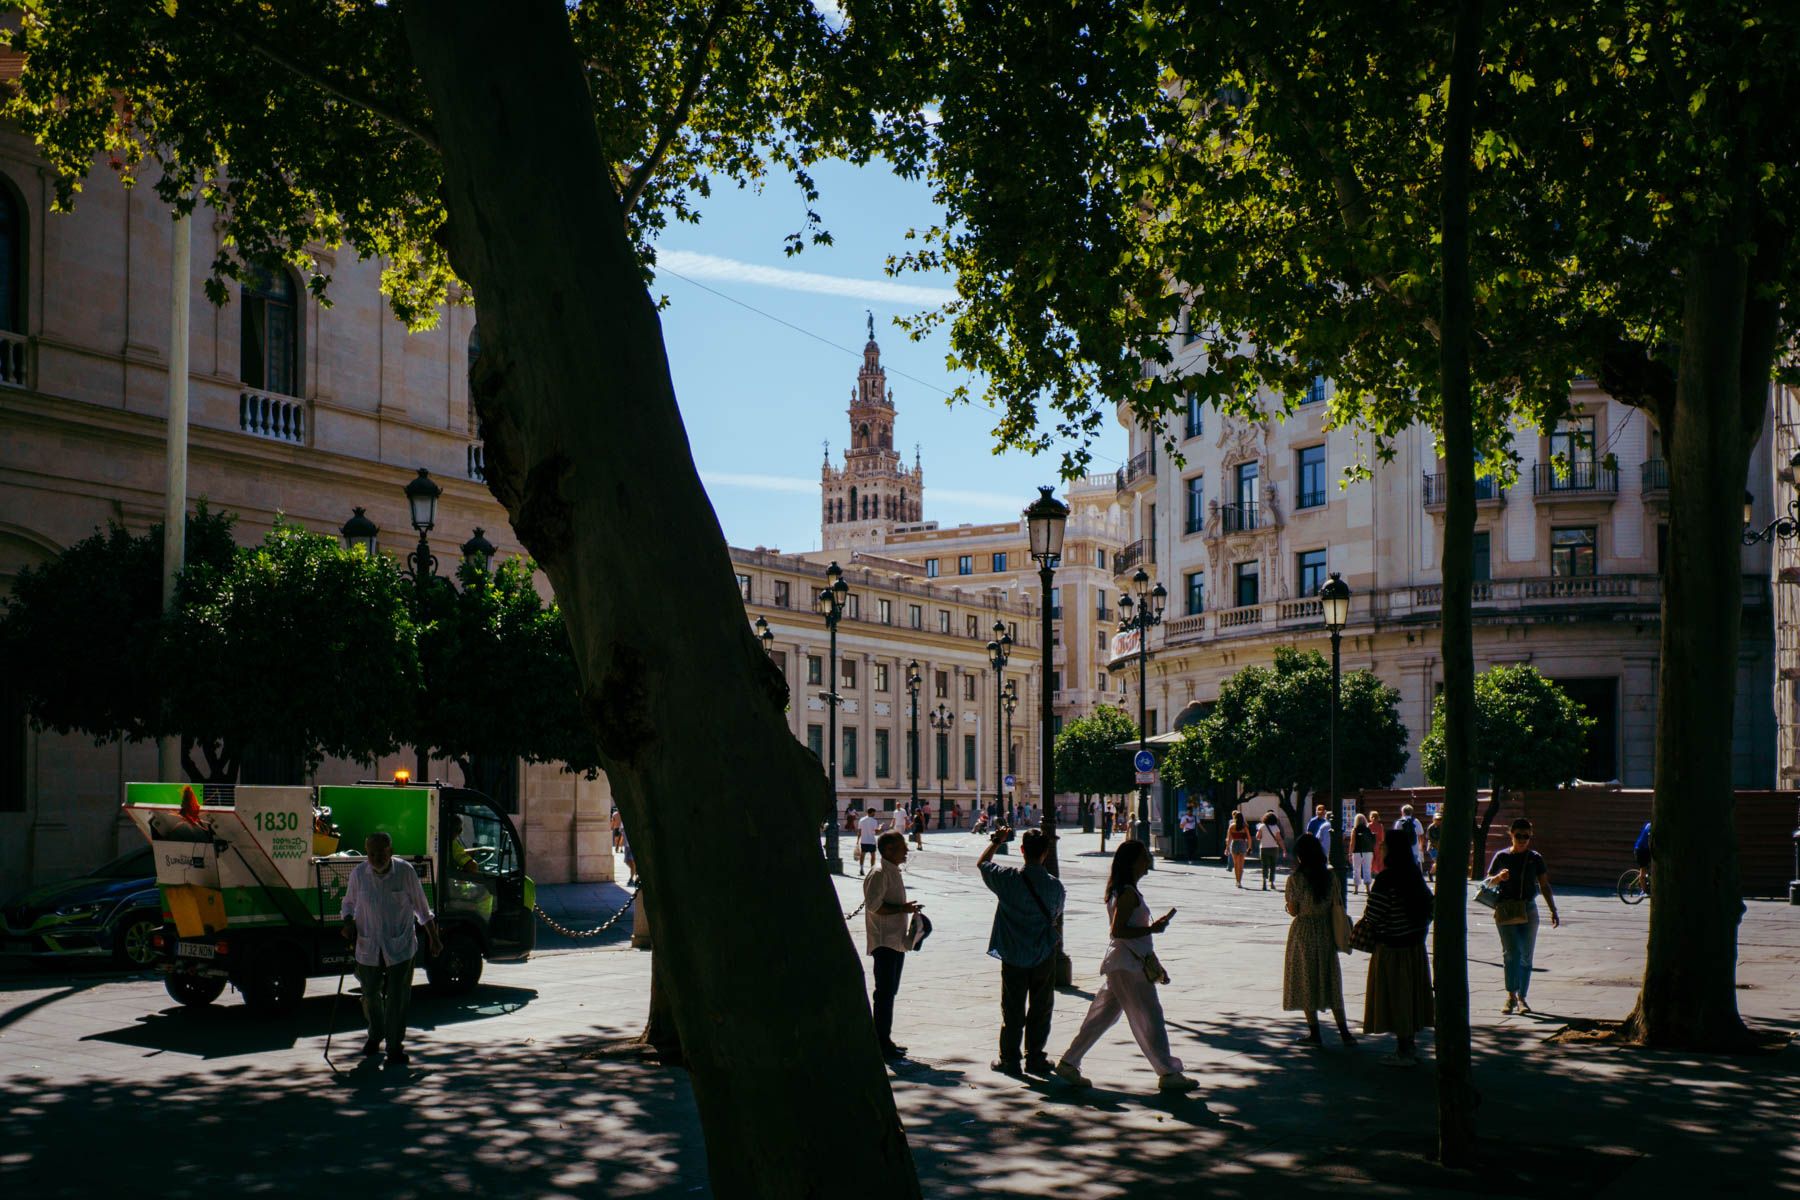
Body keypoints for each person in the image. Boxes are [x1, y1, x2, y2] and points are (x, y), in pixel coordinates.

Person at [1054, 840, 1198, 1093]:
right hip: (1127, 965)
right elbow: (1118, 930)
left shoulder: (1121, 890)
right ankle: (1168, 1072)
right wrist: (1152, 928)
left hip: (1123, 962)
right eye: (1144, 858)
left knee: (1101, 1017)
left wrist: (1155, 961)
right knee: (1150, 1018)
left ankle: (1069, 1061)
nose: (1148, 863)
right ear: (1132, 862)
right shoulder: (1128, 893)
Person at [340, 831, 442, 1066]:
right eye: (372, 853)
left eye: (381, 853)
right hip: (368, 947)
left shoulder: (405, 872)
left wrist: (434, 939)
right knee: (370, 995)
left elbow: (423, 910)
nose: (377, 858)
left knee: (397, 999)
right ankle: (375, 1035)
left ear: (391, 852)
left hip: (400, 946)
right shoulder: (359, 874)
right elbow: (348, 904)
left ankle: (394, 1047)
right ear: (367, 852)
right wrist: (348, 922)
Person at [978, 825, 1067, 1076]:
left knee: (1012, 1007)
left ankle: (1010, 1059)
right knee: (1041, 1006)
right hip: (1043, 954)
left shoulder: (1007, 879)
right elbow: (1056, 914)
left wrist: (996, 841)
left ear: (1022, 850)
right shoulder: (1055, 887)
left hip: (1013, 953)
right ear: (1046, 853)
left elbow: (982, 864)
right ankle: (1035, 1057)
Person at [1361, 822, 1434, 1067]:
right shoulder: (1414, 876)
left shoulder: (1386, 879)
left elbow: (1373, 915)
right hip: (1414, 947)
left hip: (1391, 948)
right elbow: (1429, 909)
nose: (1379, 848)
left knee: (1397, 998)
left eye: (1383, 845)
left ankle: (1403, 1052)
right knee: (1410, 998)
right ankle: (1408, 1045)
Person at [1482, 817, 1561, 1014]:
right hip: (1507, 909)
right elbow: (1487, 883)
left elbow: (1544, 885)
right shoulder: (1501, 857)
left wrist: (1553, 909)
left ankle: (1522, 998)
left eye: (1527, 836)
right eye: (1519, 836)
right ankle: (1510, 996)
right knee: (1511, 954)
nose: (1523, 840)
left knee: (1526, 955)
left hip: (1528, 909)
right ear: (1511, 834)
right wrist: (1498, 878)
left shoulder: (1535, 858)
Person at [1284, 834, 1355, 1048]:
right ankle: (1345, 1033)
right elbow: (1336, 901)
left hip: (1304, 931)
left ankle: (1314, 1032)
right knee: (1330, 979)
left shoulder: (1295, 879)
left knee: (1306, 979)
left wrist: (1289, 906)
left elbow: (1294, 909)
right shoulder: (1330, 877)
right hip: (1325, 931)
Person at [863, 831, 921, 1060]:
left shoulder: (892, 871)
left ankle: (885, 1038)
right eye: (902, 847)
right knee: (885, 993)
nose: (906, 850)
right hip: (884, 941)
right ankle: (881, 1040)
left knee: (890, 992)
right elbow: (874, 906)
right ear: (888, 850)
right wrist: (902, 909)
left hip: (897, 940)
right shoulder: (879, 873)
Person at [1256, 811, 1286, 890]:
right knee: (1273, 866)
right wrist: (1284, 849)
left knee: (1264, 866)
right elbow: (1279, 839)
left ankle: (1264, 882)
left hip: (1264, 848)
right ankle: (1272, 883)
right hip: (1274, 848)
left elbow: (1258, 837)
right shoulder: (1276, 827)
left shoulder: (1261, 826)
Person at [1350, 813, 1376, 894]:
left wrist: (1350, 853)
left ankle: (1356, 889)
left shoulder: (1355, 829)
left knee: (1356, 870)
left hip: (1357, 852)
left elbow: (1352, 843)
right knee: (1367, 869)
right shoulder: (1368, 829)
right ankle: (1368, 889)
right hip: (1368, 852)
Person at [856, 807, 885, 876]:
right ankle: (872, 870)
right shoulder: (874, 821)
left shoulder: (861, 820)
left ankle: (861, 869)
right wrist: (880, 826)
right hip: (871, 841)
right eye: (874, 812)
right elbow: (877, 832)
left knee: (862, 855)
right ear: (871, 812)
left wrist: (857, 841)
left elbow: (859, 831)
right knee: (873, 855)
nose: (874, 814)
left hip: (864, 840)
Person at [1227, 810, 1252, 888]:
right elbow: (1249, 838)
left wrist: (1227, 847)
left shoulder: (1231, 826)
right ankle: (1240, 881)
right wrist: (1249, 847)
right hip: (1242, 844)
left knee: (1235, 864)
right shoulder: (1244, 827)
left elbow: (1229, 838)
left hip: (1234, 844)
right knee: (1241, 865)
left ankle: (1237, 881)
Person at [1632, 820, 1653, 891]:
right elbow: (1649, 840)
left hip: (1644, 850)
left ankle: (1647, 880)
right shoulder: (1650, 827)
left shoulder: (1648, 824)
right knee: (1643, 872)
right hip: (1640, 850)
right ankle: (1643, 891)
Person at [1425, 812, 1443, 881]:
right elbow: (1432, 838)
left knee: (1439, 862)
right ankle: (1430, 873)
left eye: (1440, 819)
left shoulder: (1442, 827)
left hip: (1439, 847)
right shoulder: (1431, 828)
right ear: (1434, 819)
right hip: (1433, 847)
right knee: (1437, 861)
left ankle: (1431, 872)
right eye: (1437, 819)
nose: (1439, 821)